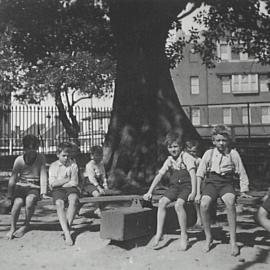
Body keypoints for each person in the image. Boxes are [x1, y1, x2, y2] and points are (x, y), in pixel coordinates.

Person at [195, 125, 250, 256]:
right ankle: (208, 237)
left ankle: (233, 241)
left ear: (228, 141)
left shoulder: (233, 154)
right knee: (204, 204)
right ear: (213, 141)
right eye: (218, 140)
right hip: (211, 183)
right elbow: (200, 173)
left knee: (230, 202)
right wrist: (197, 192)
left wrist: (244, 190)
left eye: (224, 140)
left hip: (226, 183)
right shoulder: (209, 153)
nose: (221, 143)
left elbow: (242, 172)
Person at [143, 132, 197, 251]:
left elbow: (193, 175)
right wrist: (150, 191)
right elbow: (159, 175)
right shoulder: (169, 160)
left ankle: (184, 234)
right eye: (170, 147)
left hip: (186, 186)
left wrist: (194, 192)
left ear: (181, 146)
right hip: (174, 187)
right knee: (162, 202)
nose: (173, 149)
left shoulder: (186, 157)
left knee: (179, 205)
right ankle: (159, 233)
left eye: (175, 146)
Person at [6, 135, 48, 240]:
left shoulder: (41, 158)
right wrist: (9, 194)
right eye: (29, 148)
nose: (32, 151)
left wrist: (43, 192)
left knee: (30, 200)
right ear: (24, 149)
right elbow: (13, 178)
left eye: (34, 148)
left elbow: (43, 175)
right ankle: (12, 228)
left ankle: (26, 224)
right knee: (17, 203)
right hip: (22, 186)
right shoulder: (19, 160)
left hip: (35, 186)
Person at [49, 142, 80, 246]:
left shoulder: (73, 165)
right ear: (58, 154)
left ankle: (66, 229)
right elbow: (53, 184)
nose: (66, 158)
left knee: (74, 199)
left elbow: (74, 182)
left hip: (70, 188)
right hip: (58, 190)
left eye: (68, 155)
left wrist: (61, 182)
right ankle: (67, 233)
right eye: (64, 155)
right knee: (59, 203)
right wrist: (66, 180)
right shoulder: (54, 166)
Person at [83, 145, 108, 217]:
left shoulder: (101, 165)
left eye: (101, 155)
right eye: (97, 155)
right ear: (92, 156)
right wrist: (99, 188)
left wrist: (105, 185)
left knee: (106, 194)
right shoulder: (89, 165)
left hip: (98, 182)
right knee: (97, 194)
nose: (99, 157)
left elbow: (103, 175)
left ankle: (100, 207)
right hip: (89, 183)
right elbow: (91, 178)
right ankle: (97, 209)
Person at [185, 140, 203, 228]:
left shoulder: (199, 160)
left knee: (197, 202)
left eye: (194, 151)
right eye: (190, 151)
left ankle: (200, 219)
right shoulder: (187, 158)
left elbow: (201, 174)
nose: (192, 153)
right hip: (190, 182)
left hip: (199, 182)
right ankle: (195, 219)